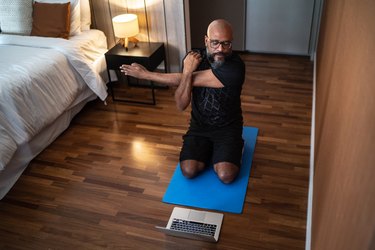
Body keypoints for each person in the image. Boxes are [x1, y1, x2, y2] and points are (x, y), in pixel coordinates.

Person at [120, 19, 245, 184]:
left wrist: (146, 75)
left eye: (226, 43)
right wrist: (187, 71)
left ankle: (235, 147)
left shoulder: (236, 67)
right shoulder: (193, 58)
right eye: (215, 43)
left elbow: (192, 79)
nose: (220, 49)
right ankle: (212, 151)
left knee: (226, 176)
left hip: (228, 128)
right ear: (206, 40)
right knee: (188, 171)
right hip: (200, 127)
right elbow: (180, 105)